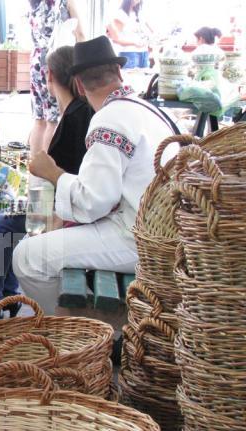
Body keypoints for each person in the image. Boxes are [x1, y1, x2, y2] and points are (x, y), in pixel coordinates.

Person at [12, 36, 178, 314]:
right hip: (162, 230)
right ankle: (77, 327)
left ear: (78, 84)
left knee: (28, 256)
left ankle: (72, 332)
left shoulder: (108, 119)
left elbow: (93, 201)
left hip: (139, 238)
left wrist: (53, 173)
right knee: (43, 244)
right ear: (119, 72)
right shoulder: (145, 108)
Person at [0, 45, 94, 326]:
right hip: (66, 204)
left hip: (67, 211)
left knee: (1, 225)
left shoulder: (76, 116)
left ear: (50, 76)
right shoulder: (78, 111)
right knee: (7, 223)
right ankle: (5, 297)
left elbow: (66, 174)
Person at [28, 0, 85, 154]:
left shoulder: (35, 3)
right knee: (52, 121)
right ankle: (47, 168)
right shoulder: (66, 2)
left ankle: (35, 168)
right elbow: (80, 34)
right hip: (56, 59)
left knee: (39, 120)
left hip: (35, 60)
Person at [106, 0, 153, 69]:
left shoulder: (140, 13)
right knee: (131, 79)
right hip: (129, 53)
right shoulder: (121, 14)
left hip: (143, 53)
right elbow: (115, 39)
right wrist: (134, 43)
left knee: (143, 79)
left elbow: (151, 31)